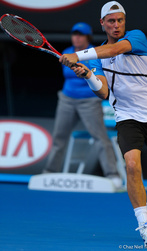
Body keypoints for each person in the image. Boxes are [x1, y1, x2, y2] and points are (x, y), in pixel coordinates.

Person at [59, 2, 147, 247]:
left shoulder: (136, 38)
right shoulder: (97, 56)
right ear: (103, 23)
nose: (117, 25)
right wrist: (88, 75)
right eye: (111, 21)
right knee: (132, 166)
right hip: (127, 118)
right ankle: (144, 225)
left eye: (120, 20)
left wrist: (78, 55)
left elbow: (115, 51)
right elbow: (103, 91)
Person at [43, 22, 122, 189]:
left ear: (88, 38)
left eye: (80, 35)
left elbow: (96, 76)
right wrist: (75, 67)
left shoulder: (95, 53)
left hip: (90, 102)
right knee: (59, 138)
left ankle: (113, 175)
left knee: (100, 138)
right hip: (67, 100)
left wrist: (83, 70)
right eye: (74, 34)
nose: (76, 38)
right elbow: (67, 73)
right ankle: (49, 173)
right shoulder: (66, 52)